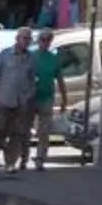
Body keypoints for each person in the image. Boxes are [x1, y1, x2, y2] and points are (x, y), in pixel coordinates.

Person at [0, 27, 38, 173]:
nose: (26, 42)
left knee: (17, 133)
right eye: (24, 38)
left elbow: (33, 78)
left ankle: (10, 162)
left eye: (29, 39)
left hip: (22, 101)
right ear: (17, 39)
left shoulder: (30, 57)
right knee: (0, 130)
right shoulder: (5, 54)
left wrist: (30, 94)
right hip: (5, 99)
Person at [27, 31, 67, 170]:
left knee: (44, 131)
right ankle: (23, 158)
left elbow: (60, 80)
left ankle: (40, 159)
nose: (44, 42)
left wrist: (64, 100)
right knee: (25, 129)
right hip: (31, 97)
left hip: (47, 98)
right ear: (38, 41)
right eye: (42, 39)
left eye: (47, 40)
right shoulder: (31, 56)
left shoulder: (53, 59)